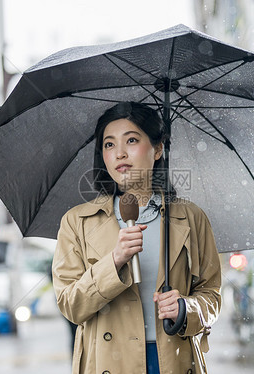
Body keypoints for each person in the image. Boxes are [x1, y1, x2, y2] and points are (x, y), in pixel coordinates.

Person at [52, 102, 222, 373]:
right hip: (109, 362)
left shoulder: (191, 217)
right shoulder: (77, 222)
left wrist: (185, 308)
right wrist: (115, 261)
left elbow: (211, 295)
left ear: (157, 149)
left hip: (173, 360)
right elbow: (71, 305)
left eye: (131, 140)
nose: (119, 153)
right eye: (109, 144)